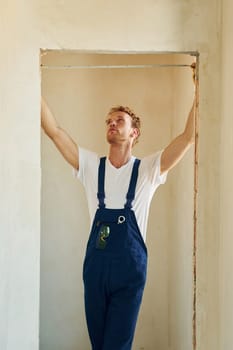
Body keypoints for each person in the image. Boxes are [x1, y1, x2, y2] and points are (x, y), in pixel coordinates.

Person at [41, 64, 197, 350]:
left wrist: (201, 84)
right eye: (109, 121)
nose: (112, 124)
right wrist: (32, 77)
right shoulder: (91, 166)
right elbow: (54, 131)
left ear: (134, 132)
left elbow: (188, 136)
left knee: (116, 346)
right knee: (100, 345)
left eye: (119, 120)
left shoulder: (149, 169)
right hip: (96, 270)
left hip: (129, 271)